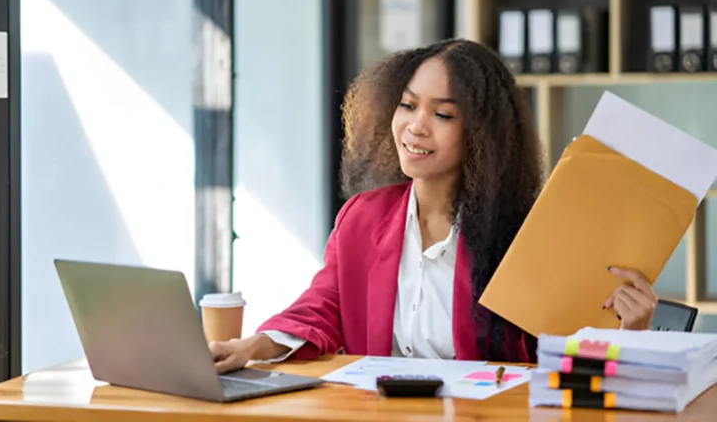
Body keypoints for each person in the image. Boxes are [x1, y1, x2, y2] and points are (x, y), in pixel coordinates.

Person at [209, 39, 659, 374]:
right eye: (407, 105)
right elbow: (323, 308)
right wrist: (250, 347)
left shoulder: (527, 235)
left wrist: (631, 333)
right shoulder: (362, 217)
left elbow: (564, 355)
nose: (416, 127)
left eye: (442, 115)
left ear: (481, 134)